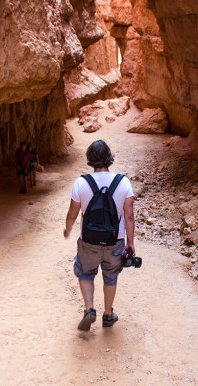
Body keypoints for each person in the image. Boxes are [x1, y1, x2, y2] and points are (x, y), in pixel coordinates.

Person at [63, 140, 135, 331]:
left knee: (85, 273)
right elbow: (129, 215)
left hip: (89, 241)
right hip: (115, 241)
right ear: (109, 158)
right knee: (111, 276)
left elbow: (72, 213)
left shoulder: (81, 182)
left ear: (90, 159)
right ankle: (108, 314)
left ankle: (89, 310)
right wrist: (130, 243)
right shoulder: (123, 182)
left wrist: (68, 229)